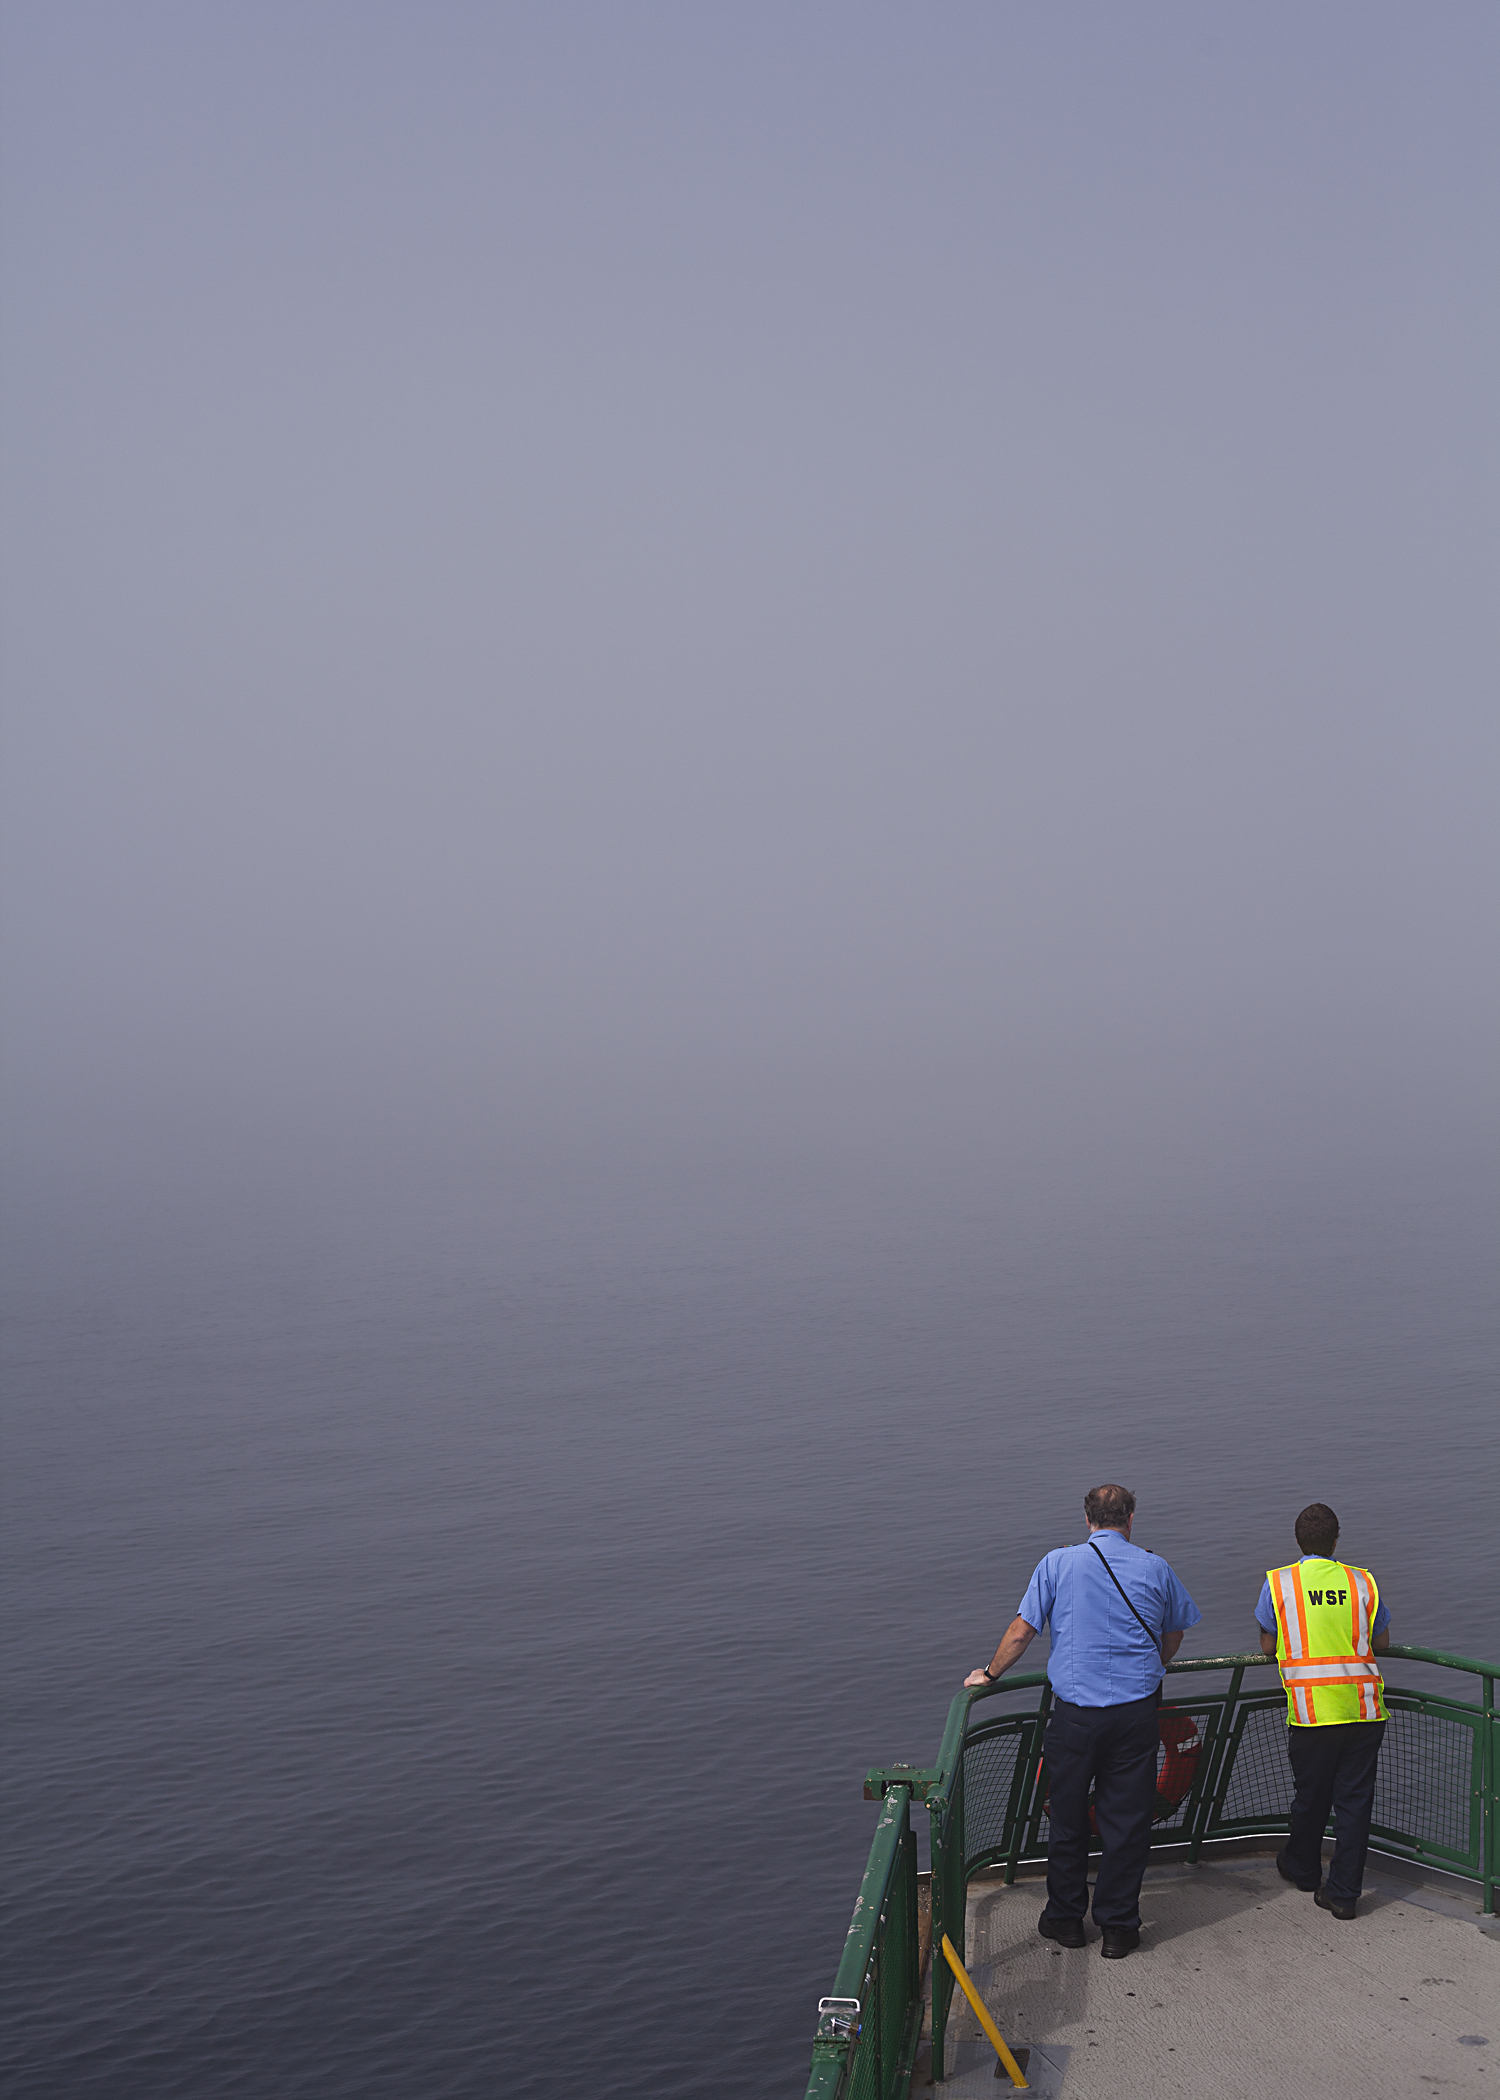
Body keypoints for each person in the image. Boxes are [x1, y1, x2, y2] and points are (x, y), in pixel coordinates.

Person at [964, 1483, 1200, 1958]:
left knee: (1068, 1819)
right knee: (1127, 1823)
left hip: (1073, 1719)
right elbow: (1173, 1634)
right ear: (1130, 1518)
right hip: (1136, 1717)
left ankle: (1066, 1920)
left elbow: (1021, 1631)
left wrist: (988, 1674)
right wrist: (1152, 1662)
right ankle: (1119, 1928)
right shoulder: (1156, 1567)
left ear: (1087, 1519)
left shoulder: (1056, 1564)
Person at [1256, 1502, 1390, 1920]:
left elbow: (1267, 1643)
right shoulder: (1361, 1581)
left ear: (1298, 1541)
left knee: (1309, 1797)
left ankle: (1304, 1869)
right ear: (1336, 1541)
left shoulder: (1280, 1583)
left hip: (1312, 1711)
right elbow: (1381, 1641)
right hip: (1364, 1709)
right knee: (1354, 1804)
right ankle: (1344, 1894)